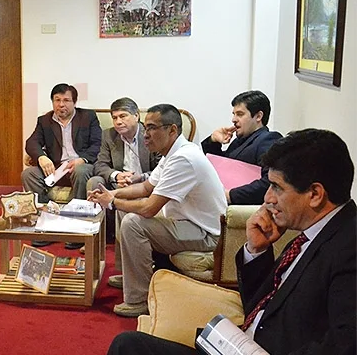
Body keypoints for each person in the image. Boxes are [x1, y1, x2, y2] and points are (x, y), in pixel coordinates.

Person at [107, 128, 356, 355]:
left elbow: (344, 345)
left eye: (277, 187)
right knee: (128, 345)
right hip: (236, 345)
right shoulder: (310, 234)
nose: (268, 198)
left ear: (314, 194)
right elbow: (259, 304)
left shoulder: (348, 248)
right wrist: (256, 251)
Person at [88, 104, 226, 317]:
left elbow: (150, 207)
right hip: (184, 221)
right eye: (146, 127)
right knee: (126, 212)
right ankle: (130, 276)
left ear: (172, 130)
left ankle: (139, 300)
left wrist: (111, 203)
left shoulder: (183, 158)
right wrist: (111, 194)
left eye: (152, 128)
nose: (146, 134)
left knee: (134, 222)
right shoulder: (172, 152)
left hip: (206, 234)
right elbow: (145, 187)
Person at [86, 97, 161, 287]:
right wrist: (116, 176)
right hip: (118, 183)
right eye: (114, 117)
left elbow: (163, 169)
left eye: (123, 116)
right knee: (94, 182)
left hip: (145, 183)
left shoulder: (151, 135)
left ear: (136, 116)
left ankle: (131, 272)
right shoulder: (108, 135)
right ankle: (94, 243)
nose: (118, 121)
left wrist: (140, 178)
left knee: (122, 209)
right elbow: (100, 165)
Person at [22, 83, 102, 249]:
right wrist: (42, 157)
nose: (61, 104)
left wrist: (83, 159)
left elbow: (97, 144)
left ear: (74, 102)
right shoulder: (44, 121)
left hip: (81, 165)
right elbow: (32, 143)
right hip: (56, 169)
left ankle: (76, 229)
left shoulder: (88, 117)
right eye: (57, 100)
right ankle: (46, 226)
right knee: (28, 174)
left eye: (66, 100)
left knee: (81, 171)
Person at [202, 90, 282, 204]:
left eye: (240, 114)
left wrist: (230, 195)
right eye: (234, 114)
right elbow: (223, 167)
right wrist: (213, 141)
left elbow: (269, 182)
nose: (233, 119)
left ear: (258, 116)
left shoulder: (268, 139)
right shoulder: (239, 140)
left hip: (242, 207)